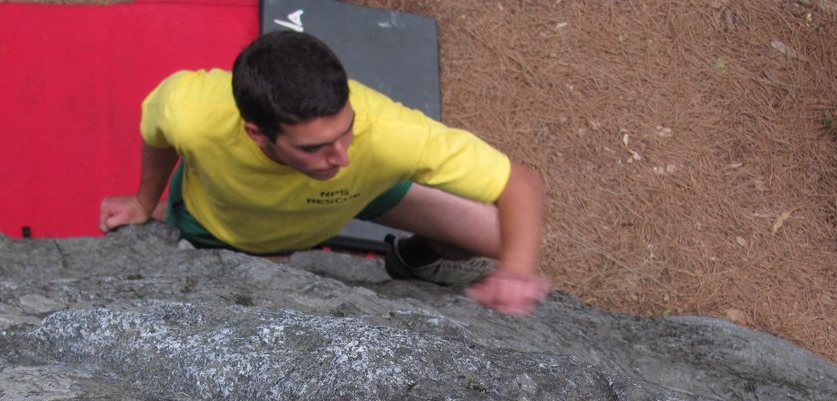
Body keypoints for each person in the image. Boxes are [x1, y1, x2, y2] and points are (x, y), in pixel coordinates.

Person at [99, 31, 548, 315]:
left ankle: (408, 258)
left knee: (496, 235)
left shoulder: (386, 135)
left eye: (346, 130)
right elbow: (156, 133)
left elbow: (519, 183)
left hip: (360, 193)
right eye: (314, 147)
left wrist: (517, 270)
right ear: (258, 134)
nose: (341, 156)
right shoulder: (190, 110)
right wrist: (142, 201)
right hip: (224, 226)